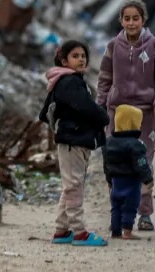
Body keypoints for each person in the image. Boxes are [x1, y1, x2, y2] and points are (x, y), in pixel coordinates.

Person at [96, 0, 155, 232]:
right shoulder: (113, 46)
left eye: (135, 18)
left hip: (144, 114)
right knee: (115, 160)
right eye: (127, 19)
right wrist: (100, 106)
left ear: (143, 20)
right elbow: (105, 78)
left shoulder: (154, 45)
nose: (131, 23)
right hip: (117, 113)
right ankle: (118, 211)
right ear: (121, 21)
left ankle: (145, 213)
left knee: (143, 160)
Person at [39, 40, 110, 246]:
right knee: (74, 187)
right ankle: (80, 232)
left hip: (76, 140)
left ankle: (61, 230)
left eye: (83, 56)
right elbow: (87, 107)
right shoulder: (69, 82)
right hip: (73, 141)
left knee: (71, 186)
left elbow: (46, 113)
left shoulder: (68, 81)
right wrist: (103, 117)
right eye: (75, 56)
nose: (81, 59)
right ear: (64, 61)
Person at [103, 105, 154, 240]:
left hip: (115, 182)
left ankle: (116, 231)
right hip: (131, 183)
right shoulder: (136, 144)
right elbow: (141, 163)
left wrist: (109, 179)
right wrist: (148, 179)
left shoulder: (109, 142)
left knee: (116, 207)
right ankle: (127, 231)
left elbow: (107, 164)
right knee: (130, 207)